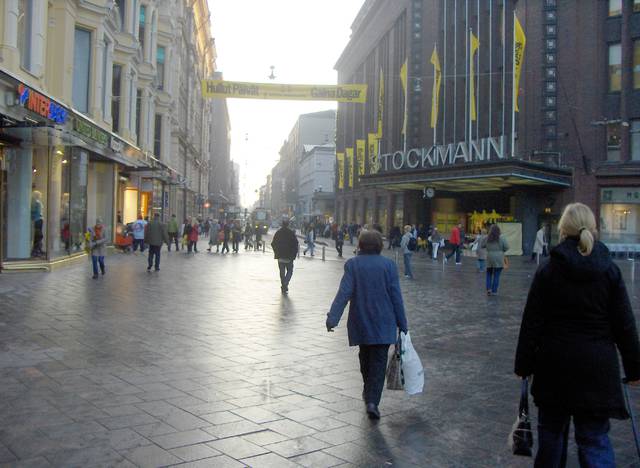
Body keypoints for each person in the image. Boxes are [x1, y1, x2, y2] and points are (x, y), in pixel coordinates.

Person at [514, 202, 640, 467]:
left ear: (563, 230)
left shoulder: (548, 270)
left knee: (551, 436)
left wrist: (523, 365)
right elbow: (624, 325)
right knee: (594, 439)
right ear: (593, 228)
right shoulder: (609, 270)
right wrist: (634, 368)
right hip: (597, 369)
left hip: (555, 367)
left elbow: (532, 323)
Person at [326, 230, 409, 420]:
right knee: (379, 363)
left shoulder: (353, 265)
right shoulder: (388, 265)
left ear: (360, 245)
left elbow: (343, 294)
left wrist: (333, 318)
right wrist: (402, 324)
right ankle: (372, 400)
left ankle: (369, 394)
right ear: (379, 245)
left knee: (365, 359)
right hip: (384, 322)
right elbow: (396, 297)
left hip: (361, 321)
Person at [271, 218, 299, 294]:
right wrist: (294, 255)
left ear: (282, 224)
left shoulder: (278, 232)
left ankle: (284, 284)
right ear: (288, 225)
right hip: (289, 257)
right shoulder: (291, 233)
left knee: (282, 272)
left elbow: (273, 244)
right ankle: (285, 284)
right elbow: (296, 244)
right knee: (290, 271)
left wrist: (276, 252)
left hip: (280, 256)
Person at [481, 224, 509, 295]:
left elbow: (482, 245)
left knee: (489, 273)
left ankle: (488, 289)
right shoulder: (502, 238)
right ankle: (494, 291)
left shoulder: (487, 238)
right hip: (499, 258)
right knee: (497, 275)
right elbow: (506, 247)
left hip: (490, 257)